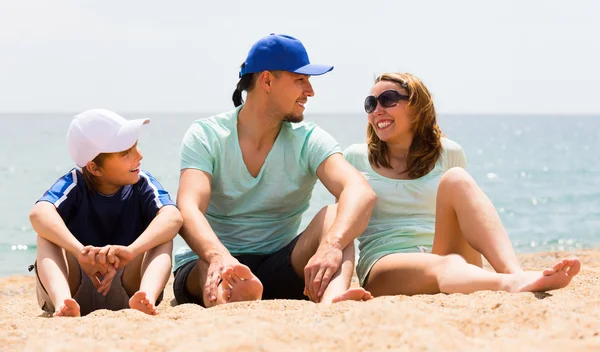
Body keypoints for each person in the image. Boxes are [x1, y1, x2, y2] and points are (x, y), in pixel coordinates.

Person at [173, 33, 377, 307]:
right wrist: (218, 256)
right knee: (206, 263)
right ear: (267, 80)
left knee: (335, 215)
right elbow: (188, 207)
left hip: (276, 265)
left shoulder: (308, 139)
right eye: (300, 80)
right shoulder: (207, 135)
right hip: (210, 264)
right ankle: (228, 304)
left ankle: (335, 301)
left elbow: (360, 191)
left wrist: (331, 245)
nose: (310, 91)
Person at [343, 72, 581, 297]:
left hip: (445, 254)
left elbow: (465, 214)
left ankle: (513, 273)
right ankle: (511, 283)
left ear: (416, 106)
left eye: (387, 99)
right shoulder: (355, 158)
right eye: (371, 104)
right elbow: (343, 226)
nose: (377, 110)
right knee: (447, 264)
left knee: (457, 178)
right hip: (387, 263)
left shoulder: (449, 152)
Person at [29, 109, 183, 317]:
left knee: (162, 236)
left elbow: (173, 217)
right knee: (46, 236)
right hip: (76, 285)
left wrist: (132, 251)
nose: (140, 155)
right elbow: (39, 214)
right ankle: (62, 303)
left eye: (136, 147)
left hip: (128, 286)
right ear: (94, 168)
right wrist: (79, 252)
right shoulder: (74, 183)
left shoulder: (141, 182)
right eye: (126, 153)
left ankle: (146, 296)